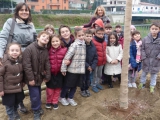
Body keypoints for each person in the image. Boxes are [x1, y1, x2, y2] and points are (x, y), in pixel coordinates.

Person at [0, 2, 37, 114]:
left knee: (24, 80)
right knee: (14, 80)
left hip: (28, 58)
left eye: (26, 10)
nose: (24, 12)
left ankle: (20, 101)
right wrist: (0, 55)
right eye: (21, 10)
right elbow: (3, 38)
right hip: (14, 57)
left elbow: (35, 40)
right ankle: (16, 105)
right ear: (17, 11)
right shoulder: (10, 22)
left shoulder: (31, 24)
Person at [22, 31, 51, 120]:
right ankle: (36, 110)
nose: (45, 38)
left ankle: (37, 106)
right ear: (38, 37)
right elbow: (27, 65)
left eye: (47, 38)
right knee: (35, 95)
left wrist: (47, 76)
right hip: (31, 77)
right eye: (43, 36)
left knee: (37, 93)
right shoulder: (29, 49)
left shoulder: (45, 50)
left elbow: (47, 63)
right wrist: (30, 79)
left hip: (40, 77)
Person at [60, 27, 86, 106]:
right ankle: (62, 97)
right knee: (68, 85)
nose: (81, 37)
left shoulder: (84, 44)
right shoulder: (74, 45)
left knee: (75, 86)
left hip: (80, 70)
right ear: (75, 36)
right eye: (79, 36)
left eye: (82, 35)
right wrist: (63, 69)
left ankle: (70, 98)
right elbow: (67, 57)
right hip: (72, 70)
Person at [0, 43, 25, 120]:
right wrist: (1, 89)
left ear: (20, 52)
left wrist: (23, 82)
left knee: (17, 102)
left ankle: (15, 113)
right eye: (12, 50)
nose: (15, 52)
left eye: (17, 50)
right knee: (9, 105)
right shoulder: (3, 62)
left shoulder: (21, 60)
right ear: (8, 51)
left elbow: (23, 73)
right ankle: (11, 117)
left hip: (18, 88)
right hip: (7, 89)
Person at [45, 35, 67, 110]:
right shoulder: (47, 50)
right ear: (50, 42)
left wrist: (67, 64)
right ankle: (48, 101)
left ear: (60, 41)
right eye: (53, 41)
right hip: (50, 73)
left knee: (58, 88)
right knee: (50, 89)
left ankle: (55, 101)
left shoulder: (64, 50)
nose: (55, 43)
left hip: (60, 73)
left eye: (57, 41)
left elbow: (68, 59)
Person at [138, 23, 160, 93]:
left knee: (153, 75)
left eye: (156, 29)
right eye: (152, 29)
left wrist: (158, 57)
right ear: (150, 29)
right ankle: (142, 84)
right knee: (144, 73)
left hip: (155, 61)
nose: (154, 30)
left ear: (159, 30)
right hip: (146, 60)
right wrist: (144, 57)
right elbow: (142, 48)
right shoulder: (145, 39)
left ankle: (152, 86)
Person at [80, 29, 98, 97]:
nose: (89, 37)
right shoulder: (81, 46)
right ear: (84, 36)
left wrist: (92, 66)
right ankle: (82, 90)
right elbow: (81, 57)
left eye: (90, 36)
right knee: (83, 79)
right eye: (87, 36)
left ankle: (86, 89)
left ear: (92, 36)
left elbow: (95, 57)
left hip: (90, 67)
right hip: (83, 66)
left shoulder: (93, 46)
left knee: (88, 79)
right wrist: (87, 66)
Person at [91, 27, 107, 93]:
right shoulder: (93, 41)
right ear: (95, 33)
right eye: (99, 33)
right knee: (94, 75)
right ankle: (93, 85)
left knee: (99, 74)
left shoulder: (104, 41)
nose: (101, 35)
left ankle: (97, 83)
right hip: (95, 62)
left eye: (102, 34)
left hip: (102, 61)